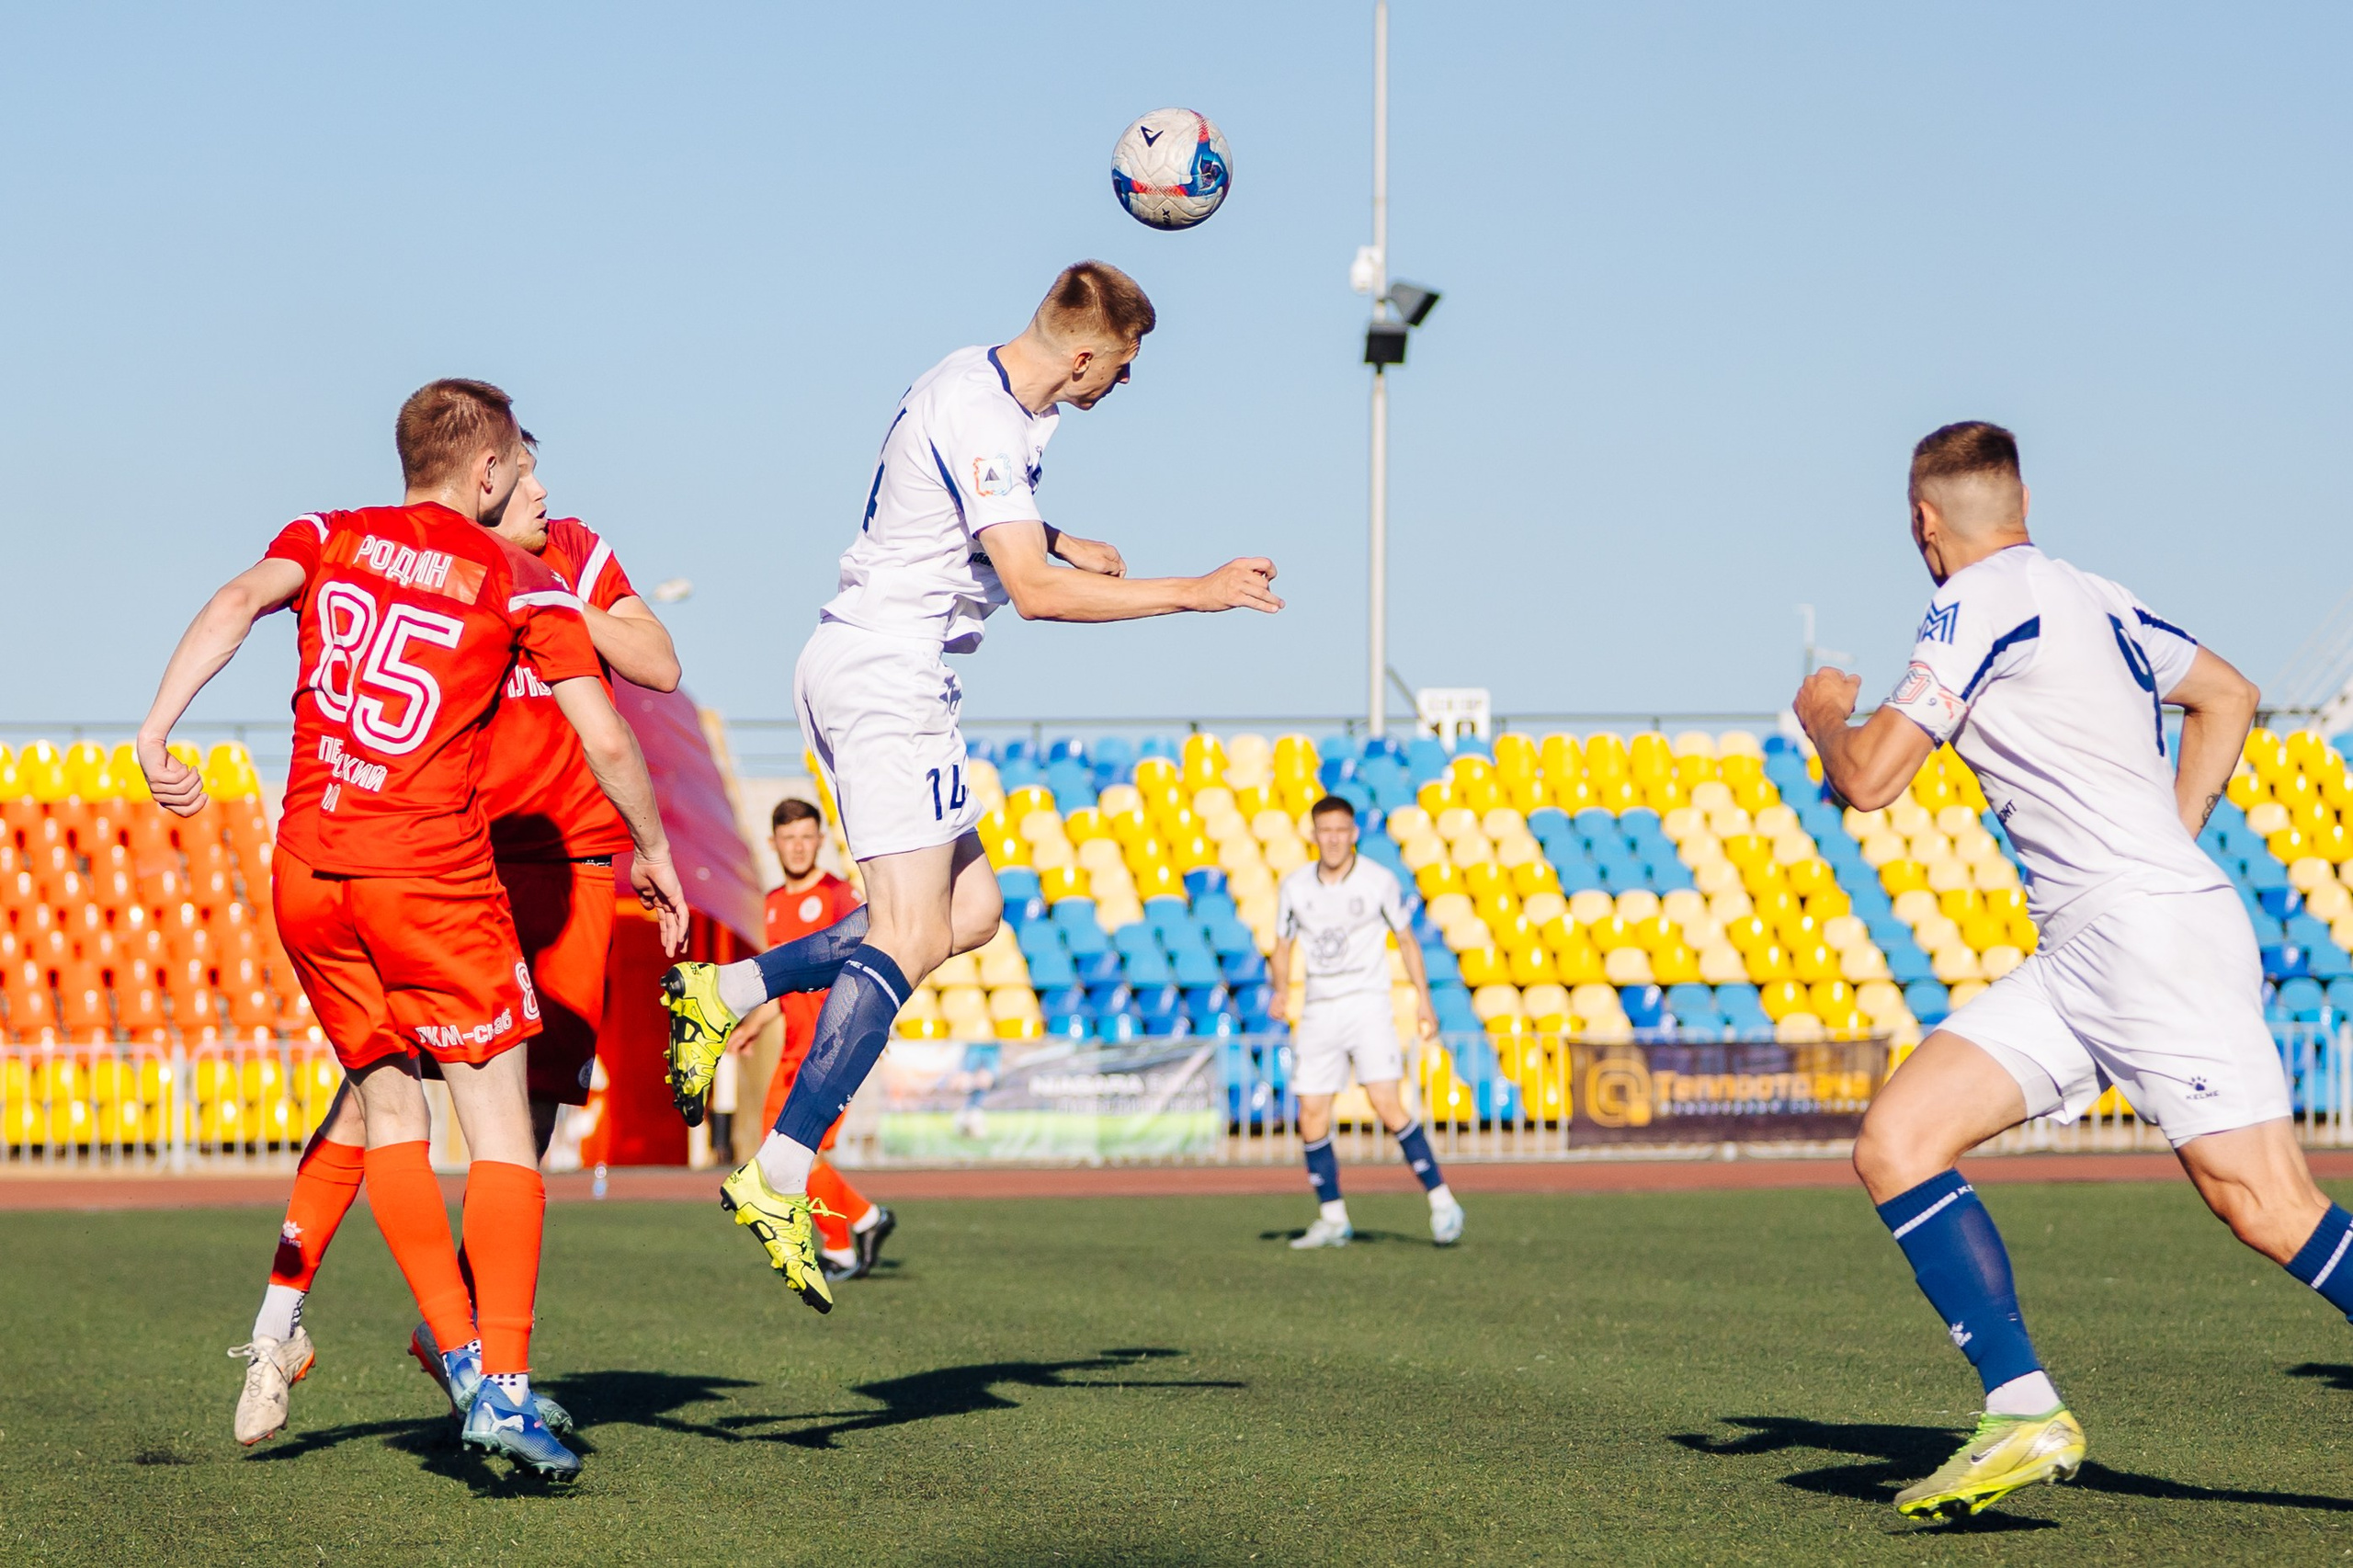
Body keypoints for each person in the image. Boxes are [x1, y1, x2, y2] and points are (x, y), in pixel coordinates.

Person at [657, 260, 1283, 1310]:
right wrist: (1194, 592)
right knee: (905, 933)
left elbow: (961, 525)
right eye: (1122, 369)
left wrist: (1052, 531)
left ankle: (726, 991)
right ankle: (779, 1173)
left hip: (893, 672)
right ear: (1084, 352)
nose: (1122, 386)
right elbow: (1034, 595)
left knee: (970, 911)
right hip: (887, 678)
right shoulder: (988, 415)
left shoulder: (976, 384)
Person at [140, 379, 687, 1478]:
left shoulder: (330, 530)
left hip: (307, 869)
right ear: (488, 473)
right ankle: (506, 1385)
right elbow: (613, 738)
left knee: (388, 1108)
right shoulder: (516, 575)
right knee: (501, 1128)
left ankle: (407, 1344)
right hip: (429, 876)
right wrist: (658, 852)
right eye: (520, 469)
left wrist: (157, 731)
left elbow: (237, 598)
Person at [1792, 419, 2329, 1522]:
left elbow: (1873, 779)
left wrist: (1824, 717)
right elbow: (2226, 692)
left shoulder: (1972, 601)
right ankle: (2022, 1405)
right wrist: (2176, 838)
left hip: (2142, 939)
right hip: (2091, 946)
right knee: (1896, 1141)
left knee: (2271, 1208)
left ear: (1923, 523)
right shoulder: (2099, 595)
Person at [1268, 795, 1461, 1248]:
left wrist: (1424, 1001)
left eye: (1341, 831)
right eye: (1325, 831)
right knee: (1311, 1114)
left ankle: (1443, 1200)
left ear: (1353, 834)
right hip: (1318, 1009)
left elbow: (1407, 941)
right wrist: (1281, 989)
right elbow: (1282, 945)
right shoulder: (1295, 886)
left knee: (1386, 1104)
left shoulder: (1378, 881)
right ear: (1313, 835)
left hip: (1367, 1005)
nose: (1333, 839)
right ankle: (1333, 1218)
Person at [718, 798, 894, 1280]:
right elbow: (779, 983)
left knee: (801, 1149)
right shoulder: (772, 906)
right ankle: (865, 1219)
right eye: (788, 838)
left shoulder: (839, 897)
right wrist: (750, 1026)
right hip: (793, 1046)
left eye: (806, 837)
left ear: (819, 840)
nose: (797, 847)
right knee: (775, 1145)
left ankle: (841, 1245)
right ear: (774, 843)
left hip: (834, 1047)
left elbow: (879, 956)